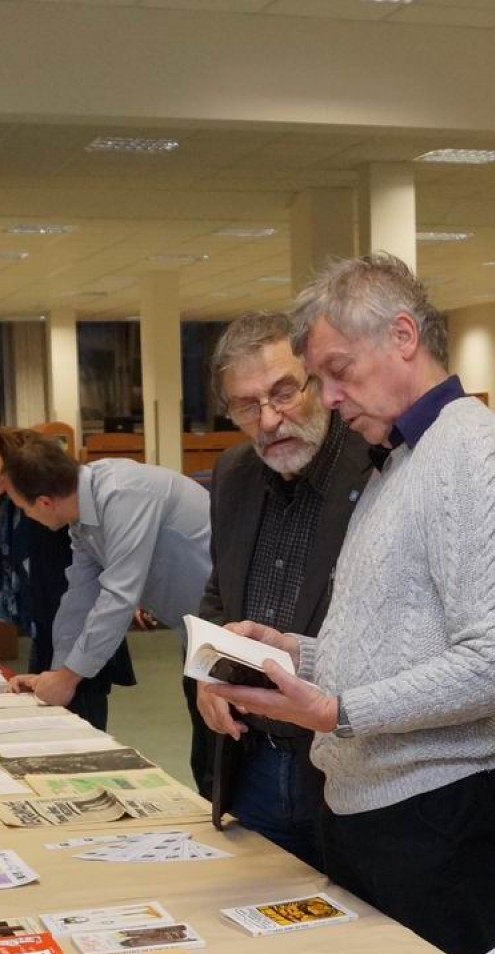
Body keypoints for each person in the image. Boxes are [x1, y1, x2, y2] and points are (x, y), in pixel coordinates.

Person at [203, 253, 495, 954]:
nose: (331, 397)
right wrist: (293, 652)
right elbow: (398, 639)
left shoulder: (470, 453)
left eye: (339, 371)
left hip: (436, 806)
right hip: (378, 798)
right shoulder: (401, 458)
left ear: (403, 336)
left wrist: (339, 711)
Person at [193, 312, 371, 870]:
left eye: (284, 392)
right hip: (251, 761)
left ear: (317, 380)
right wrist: (207, 674)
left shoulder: (376, 469)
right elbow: (220, 594)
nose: (269, 419)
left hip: (345, 767)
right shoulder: (234, 473)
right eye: (247, 405)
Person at [0, 432, 213, 788]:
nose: (27, 515)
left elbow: (118, 597)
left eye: (24, 508)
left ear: (45, 502)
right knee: (208, 750)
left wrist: (67, 678)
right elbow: (80, 596)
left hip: (231, 622)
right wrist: (56, 675)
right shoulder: (82, 516)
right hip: (194, 627)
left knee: (222, 750)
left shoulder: (122, 495)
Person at [0, 417, 136, 730]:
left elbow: (81, 572)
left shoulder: (37, 474)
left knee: (79, 732)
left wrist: (65, 669)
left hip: (79, 633)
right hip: (50, 630)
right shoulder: (12, 492)